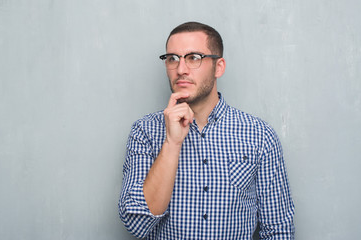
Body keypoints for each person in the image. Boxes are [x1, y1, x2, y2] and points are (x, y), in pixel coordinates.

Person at [118, 21, 295, 239]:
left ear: (218, 67)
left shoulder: (259, 135)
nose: (181, 70)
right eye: (173, 58)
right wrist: (172, 144)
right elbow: (137, 225)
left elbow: (278, 229)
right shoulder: (144, 132)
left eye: (194, 58)